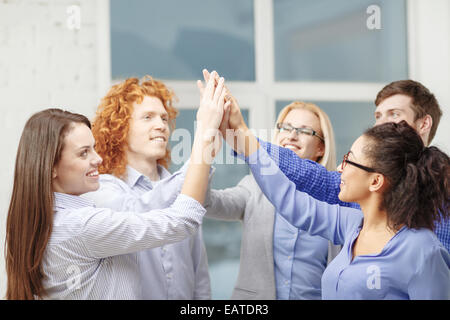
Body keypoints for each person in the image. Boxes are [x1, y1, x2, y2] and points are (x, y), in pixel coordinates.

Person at [5, 74, 229, 299]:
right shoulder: (87, 216)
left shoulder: (70, 216)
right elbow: (174, 219)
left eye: (164, 118)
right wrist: (204, 137)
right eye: (84, 153)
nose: (98, 160)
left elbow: (198, 273)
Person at [224, 105, 450, 299]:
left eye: (349, 160)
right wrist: (241, 137)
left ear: (375, 181)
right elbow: (290, 201)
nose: (341, 168)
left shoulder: (423, 251)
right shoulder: (352, 224)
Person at [209, 73, 449, 252]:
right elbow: (310, 178)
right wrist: (238, 136)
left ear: (424, 124)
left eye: (394, 114)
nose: (382, 123)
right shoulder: (359, 187)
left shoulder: (443, 191)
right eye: (378, 116)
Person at [84, 75, 210, 299]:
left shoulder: (183, 190)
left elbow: (199, 273)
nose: (161, 125)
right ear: (120, 129)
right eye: (148, 117)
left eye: (163, 118)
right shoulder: (103, 190)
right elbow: (141, 210)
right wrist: (203, 146)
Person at [203, 99, 341, 299]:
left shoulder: (335, 199)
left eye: (304, 131)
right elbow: (207, 203)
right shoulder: (255, 186)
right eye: (286, 128)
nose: (292, 136)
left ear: (321, 148)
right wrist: (206, 146)